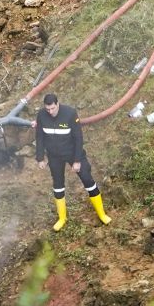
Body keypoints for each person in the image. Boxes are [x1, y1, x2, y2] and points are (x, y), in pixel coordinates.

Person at [34, 93, 110, 231]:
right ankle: (62, 218)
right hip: (54, 156)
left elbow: (78, 138)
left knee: (87, 179)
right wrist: (40, 158)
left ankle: (102, 214)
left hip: (72, 152)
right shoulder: (41, 115)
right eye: (47, 109)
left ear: (57, 104)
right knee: (57, 185)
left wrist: (77, 160)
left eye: (52, 108)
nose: (50, 112)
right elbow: (39, 137)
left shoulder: (70, 113)